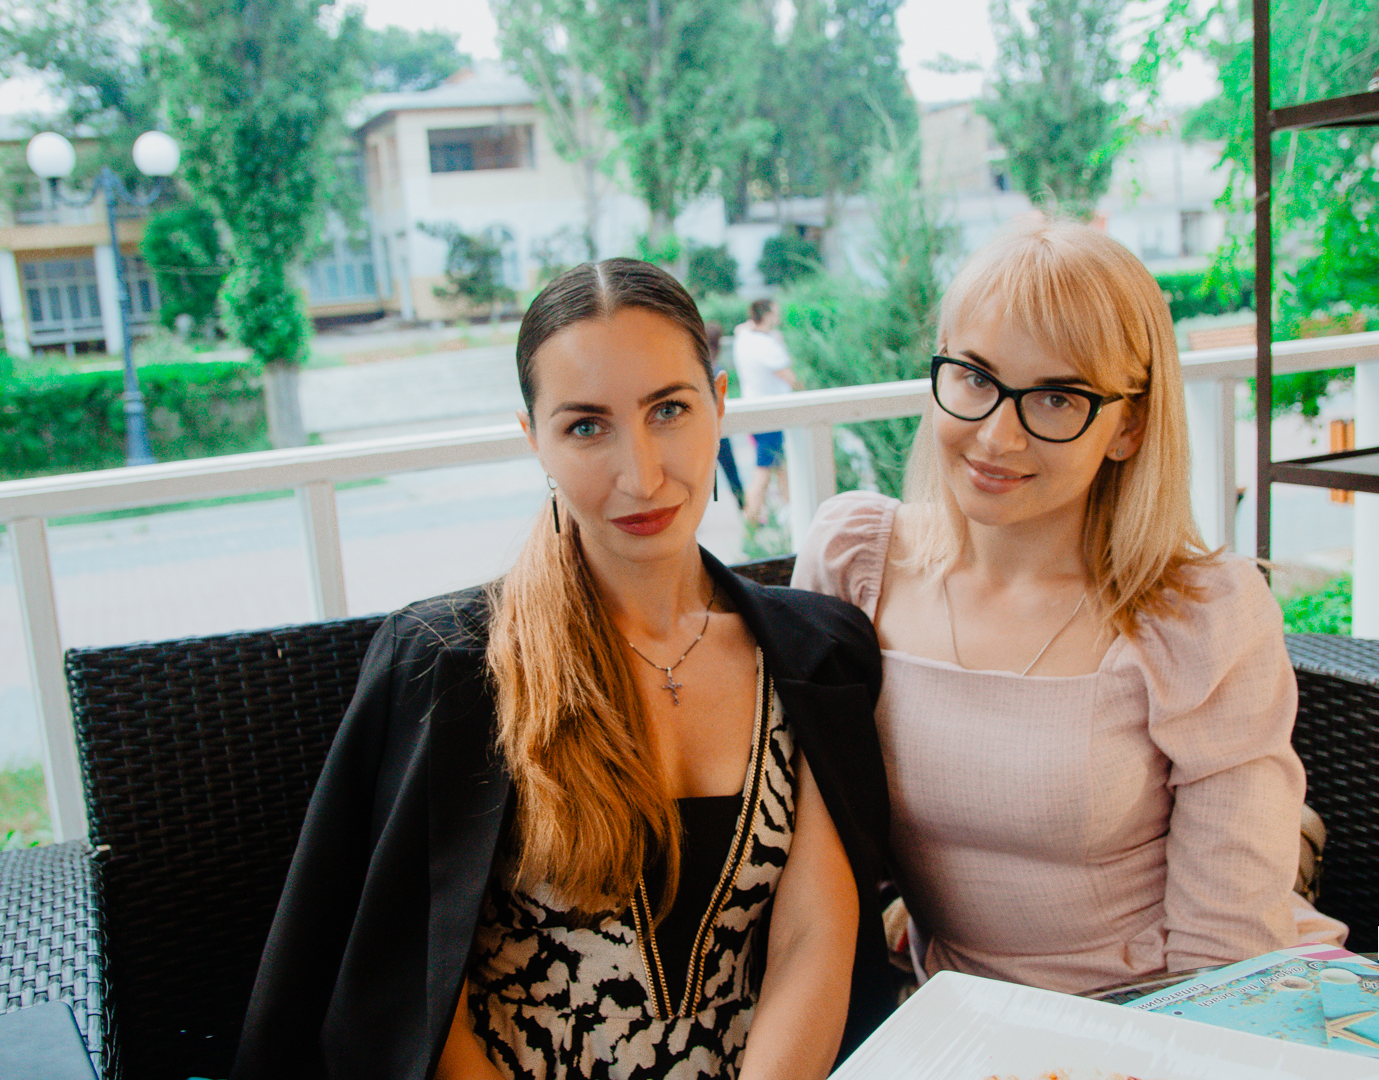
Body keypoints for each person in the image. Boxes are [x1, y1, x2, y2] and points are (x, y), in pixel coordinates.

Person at [232, 259, 895, 1080]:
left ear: (720, 403)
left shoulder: (817, 657)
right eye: (586, 427)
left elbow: (812, 939)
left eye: (670, 410)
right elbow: (415, 1003)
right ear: (533, 438)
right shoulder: (454, 669)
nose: (641, 474)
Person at [791, 221, 1347, 996]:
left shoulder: (1198, 617)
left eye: (1057, 397)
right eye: (975, 377)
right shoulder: (856, 564)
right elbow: (801, 829)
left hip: (1179, 1005)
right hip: (959, 1013)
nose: (997, 435)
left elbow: (1227, 956)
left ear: (1129, 426)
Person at [733, 299, 803, 525]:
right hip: (772, 413)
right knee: (763, 470)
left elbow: (742, 328)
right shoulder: (766, 345)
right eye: (776, 311)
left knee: (779, 466)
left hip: (755, 410)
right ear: (767, 314)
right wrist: (804, 390)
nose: (779, 315)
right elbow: (787, 375)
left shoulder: (744, 338)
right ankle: (750, 520)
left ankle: (796, 512)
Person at [707, 320, 747, 509]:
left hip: (704, 432)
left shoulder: (698, 366)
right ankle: (745, 510)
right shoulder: (716, 368)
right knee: (732, 474)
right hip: (719, 432)